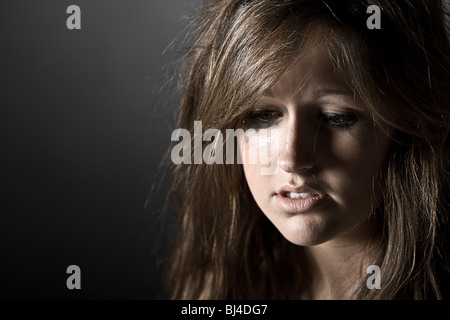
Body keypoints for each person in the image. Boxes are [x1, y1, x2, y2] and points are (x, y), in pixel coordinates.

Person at [160, 0, 450, 299]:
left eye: (336, 117)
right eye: (262, 115)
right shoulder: (215, 290)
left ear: (407, 123)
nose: (292, 159)